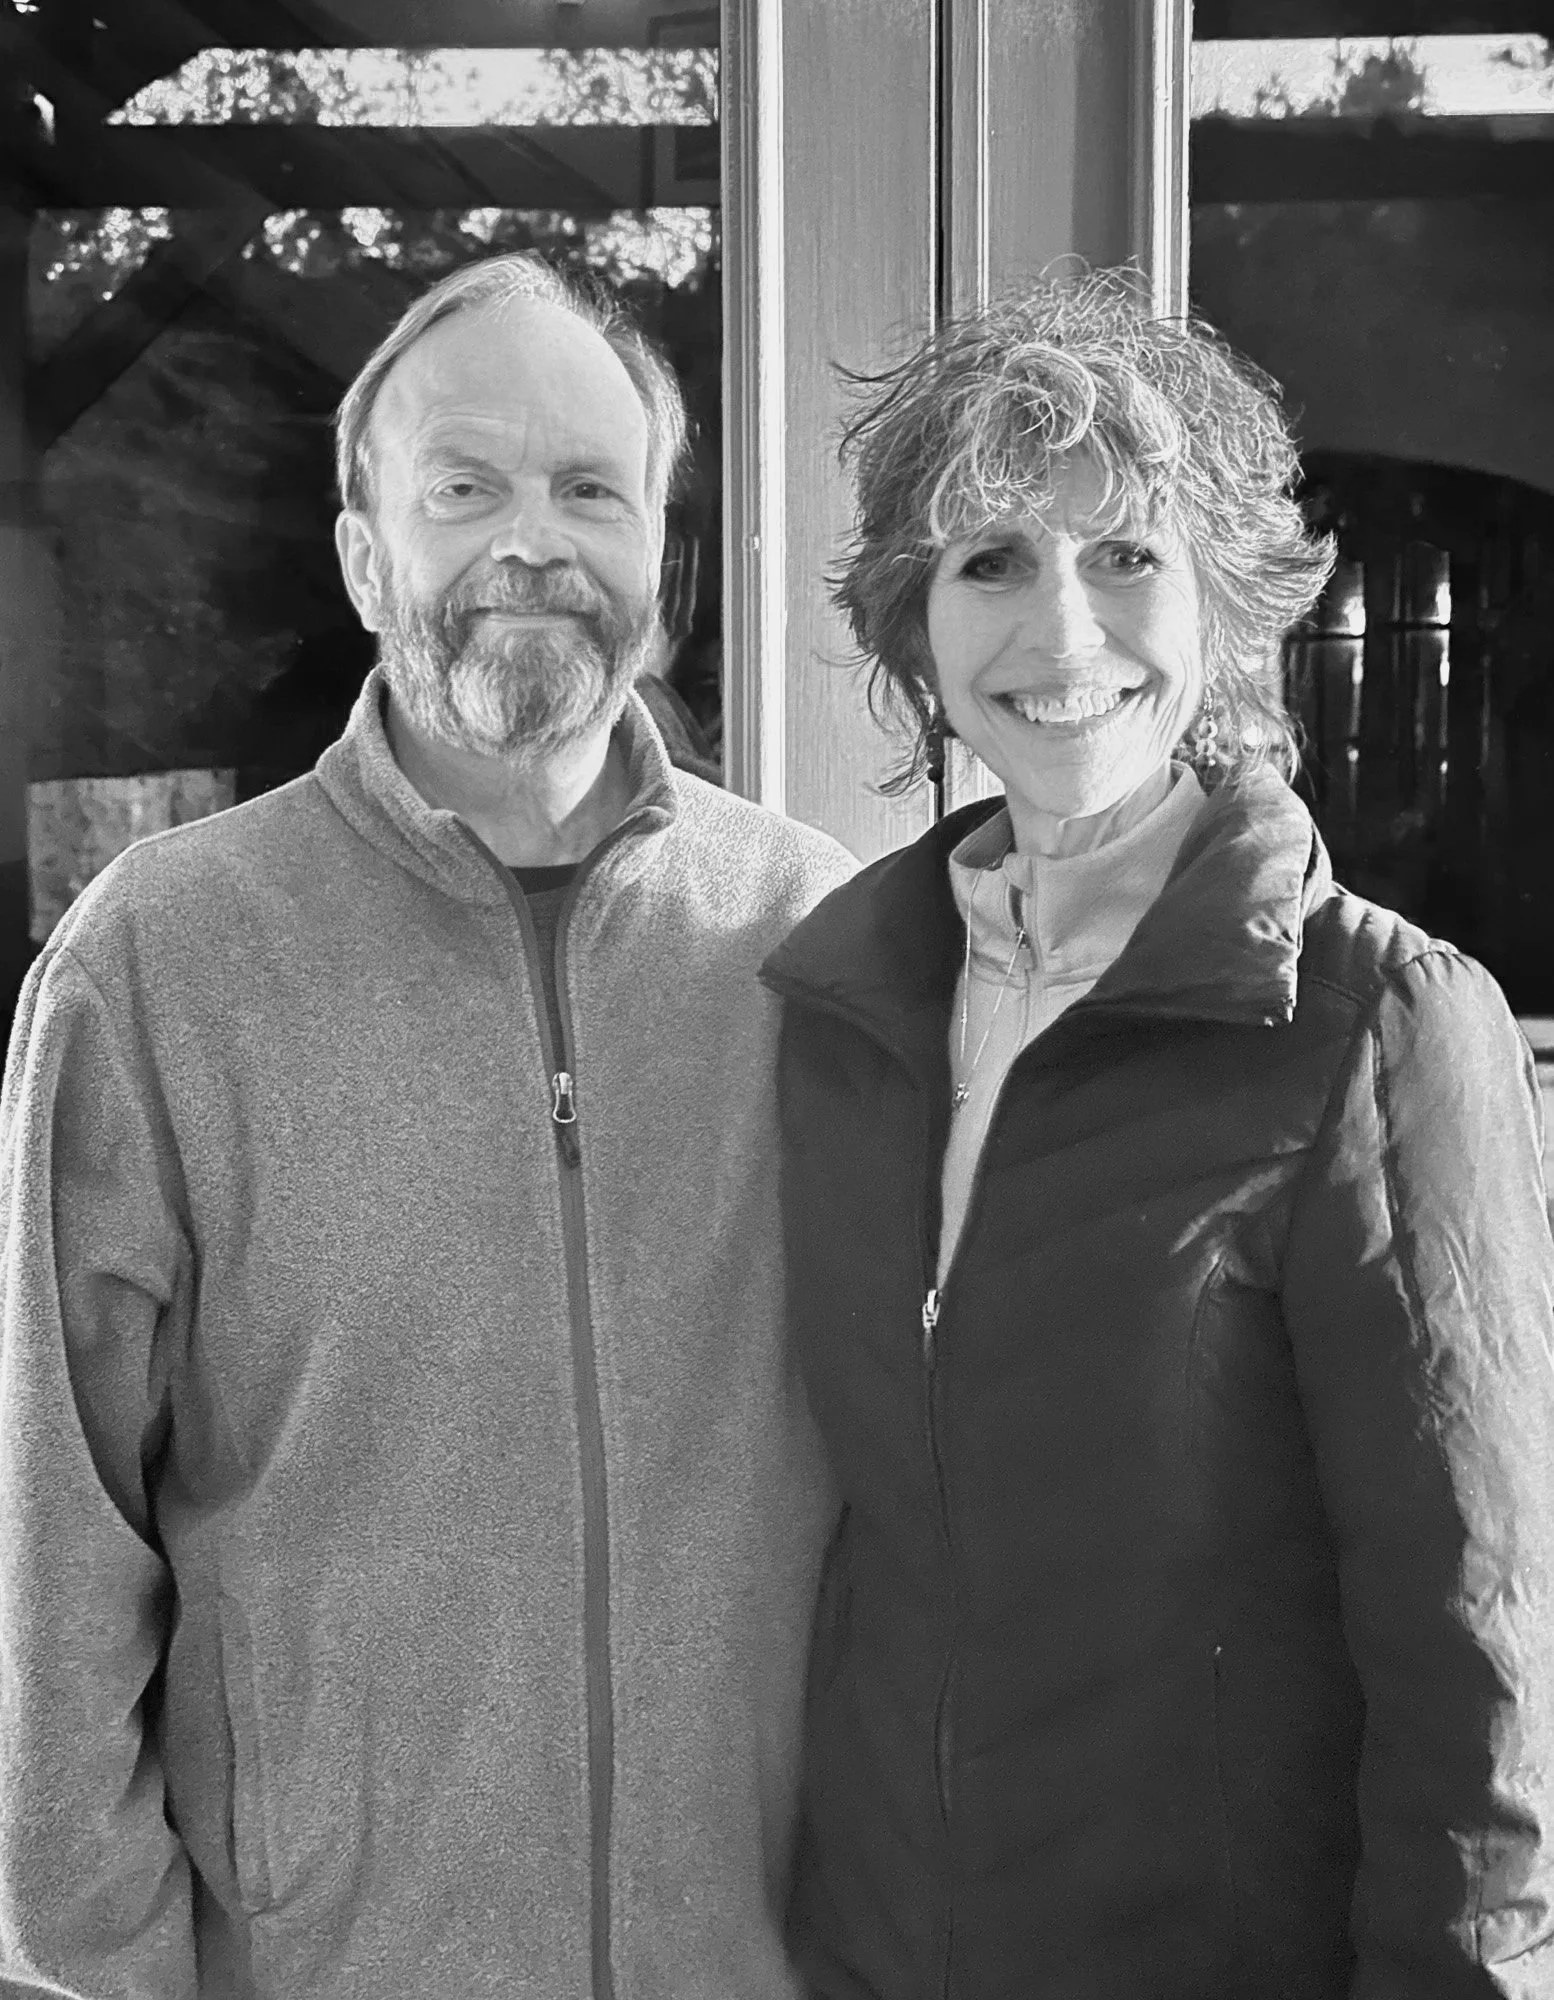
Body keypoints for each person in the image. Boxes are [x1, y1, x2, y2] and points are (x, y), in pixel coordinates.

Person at [0, 251, 855, 1999]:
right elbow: (47, 1541)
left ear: (657, 562)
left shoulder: (809, 941)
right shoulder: (163, 960)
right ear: (363, 553)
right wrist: (104, 1966)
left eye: (589, 490)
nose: (528, 540)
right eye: (462, 486)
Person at [762, 272, 1554, 1997]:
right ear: (914, 634)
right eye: (990, 562)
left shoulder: (1370, 1023)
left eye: (1124, 555)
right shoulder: (844, 1016)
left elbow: (1474, 1656)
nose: (1059, 636)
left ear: (1226, 609)